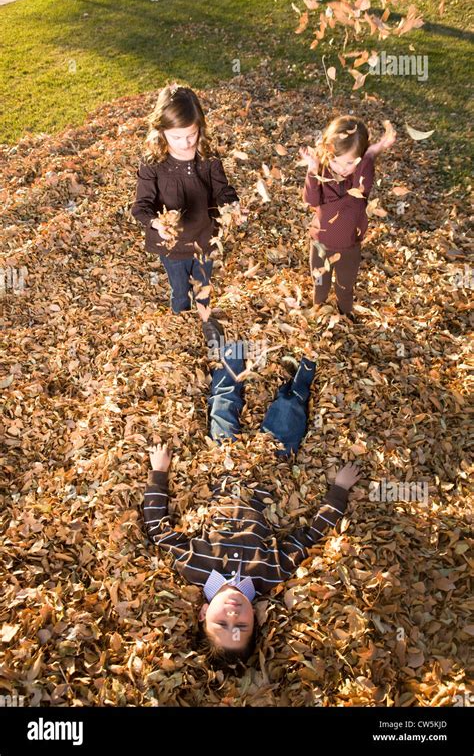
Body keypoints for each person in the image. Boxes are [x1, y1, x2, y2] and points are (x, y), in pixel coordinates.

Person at [142, 322, 361, 666]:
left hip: (222, 469)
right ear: (256, 618)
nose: (232, 614)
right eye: (241, 625)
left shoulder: (194, 567)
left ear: (202, 613)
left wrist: (159, 472)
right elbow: (310, 536)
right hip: (268, 475)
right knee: (288, 418)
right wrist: (339, 491)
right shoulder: (270, 574)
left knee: (223, 405)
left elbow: (158, 528)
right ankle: (300, 375)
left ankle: (230, 353)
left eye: (221, 622)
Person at [131, 82, 246, 314]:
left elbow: (222, 190)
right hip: (172, 247)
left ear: (200, 128)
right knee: (180, 291)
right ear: (161, 132)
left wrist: (233, 207)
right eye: (176, 137)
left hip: (205, 239)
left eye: (191, 135)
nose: (185, 143)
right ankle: (180, 323)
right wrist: (157, 224)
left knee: (203, 288)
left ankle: (205, 321)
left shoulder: (207, 157)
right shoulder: (154, 163)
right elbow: (141, 206)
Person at [300, 115, 396, 319]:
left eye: (350, 162)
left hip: (349, 248)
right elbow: (310, 200)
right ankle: (319, 309)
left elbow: (366, 163)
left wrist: (373, 150)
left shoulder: (360, 183)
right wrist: (312, 168)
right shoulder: (323, 171)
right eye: (336, 161)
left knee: (345, 287)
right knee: (320, 283)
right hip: (320, 245)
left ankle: (345, 314)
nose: (342, 168)